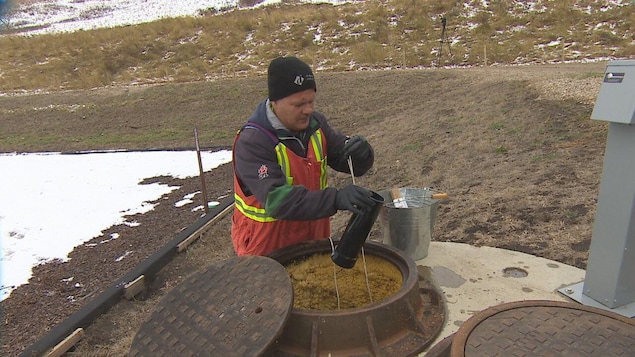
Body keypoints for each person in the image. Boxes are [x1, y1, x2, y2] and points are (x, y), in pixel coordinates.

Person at [231, 56, 376, 256]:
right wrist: (335, 199)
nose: (308, 110)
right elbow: (277, 201)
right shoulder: (253, 142)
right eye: (299, 104)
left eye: (311, 101)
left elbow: (348, 160)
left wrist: (362, 153)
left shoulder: (316, 124)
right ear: (275, 102)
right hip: (268, 253)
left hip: (313, 244)